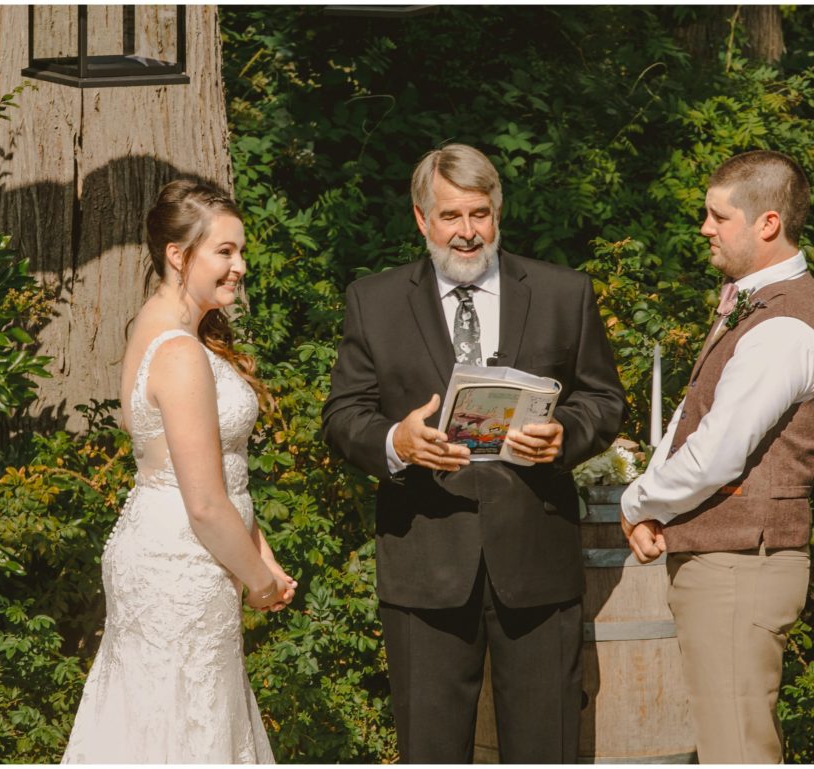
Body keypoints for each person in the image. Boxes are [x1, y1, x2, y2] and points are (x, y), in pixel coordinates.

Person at [322, 144, 626, 763]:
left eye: (480, 214)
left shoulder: (562, 292)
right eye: (451, 216)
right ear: (421, 219)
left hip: (536, 557)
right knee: (432, 752)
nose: (467, 233)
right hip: (423, 560)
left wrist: (564, 433)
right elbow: (342, 416)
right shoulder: (374, 301)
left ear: (498, 214)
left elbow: (604, 397)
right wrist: (396, 442)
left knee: (547, 750)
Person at [62, 180, 297, 763]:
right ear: (177, 254)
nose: (240, 265)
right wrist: (260, 583)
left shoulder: (163, 329)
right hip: (183, 566)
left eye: (241, 252)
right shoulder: (181, 352)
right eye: (224, 251)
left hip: (178, 552)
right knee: (186, 731)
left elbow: (223, 477)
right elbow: (206, 504)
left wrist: (260, 553)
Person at [620, 150, 814, 763]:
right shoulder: (756, 303)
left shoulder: (784, 327)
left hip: (742, 567)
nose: (704, 227)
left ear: (766, 223)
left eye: (718, 215)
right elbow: (695, 417)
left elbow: (717, 453)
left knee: (736, 752)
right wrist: (653, 505)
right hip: (727, 562)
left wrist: (636, 500)